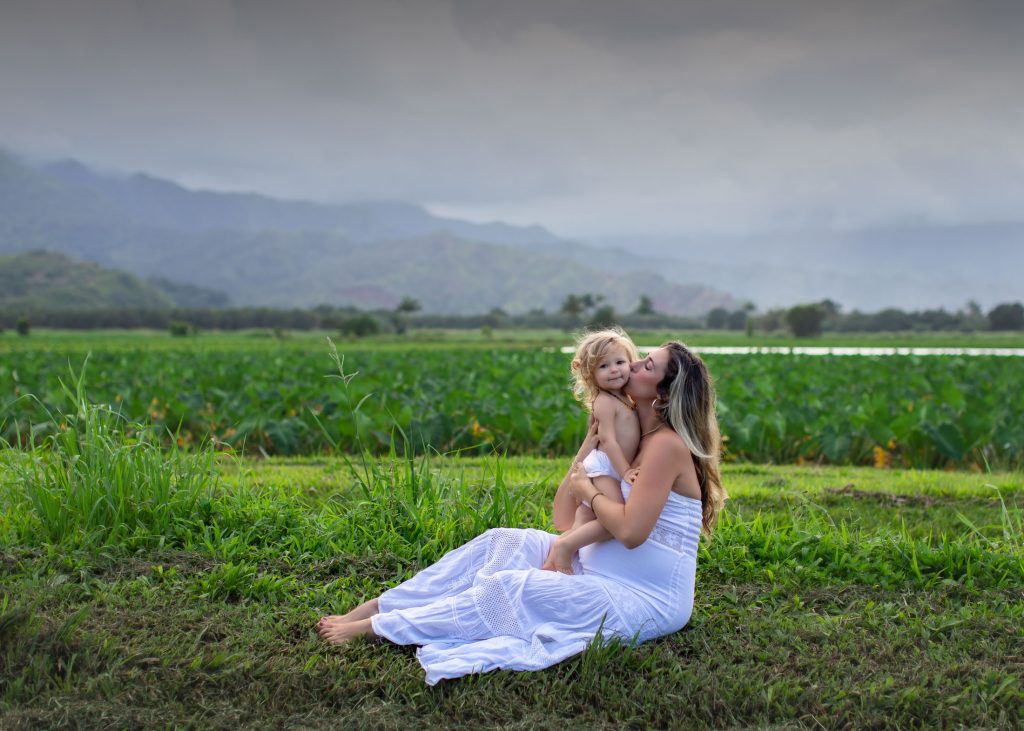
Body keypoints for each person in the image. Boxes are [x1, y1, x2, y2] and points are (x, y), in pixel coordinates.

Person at [316, 342, 727, 686]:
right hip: (593, 568)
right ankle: (383, 606)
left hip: (640, 597)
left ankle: (380, 630)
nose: (632, 364)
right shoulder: (627, 435)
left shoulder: (666, 446)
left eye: (646, 365)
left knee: (517, 587)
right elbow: (563, 516)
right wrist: (590, 442)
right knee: (503, 540)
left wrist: (579, 514)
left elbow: (632, 532)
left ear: (664, 393)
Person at [540, 328, 640, 575]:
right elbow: (606, 440)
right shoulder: (605, 401)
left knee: (583, 521)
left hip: (607, 467)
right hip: (605, 468)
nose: (614, 369)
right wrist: (625, 470)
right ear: (590, 375)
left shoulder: (625, 399)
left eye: (620, 362)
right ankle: (565, 546)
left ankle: (551, 564)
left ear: (631, 363)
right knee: (614, 521)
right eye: (604, 366)